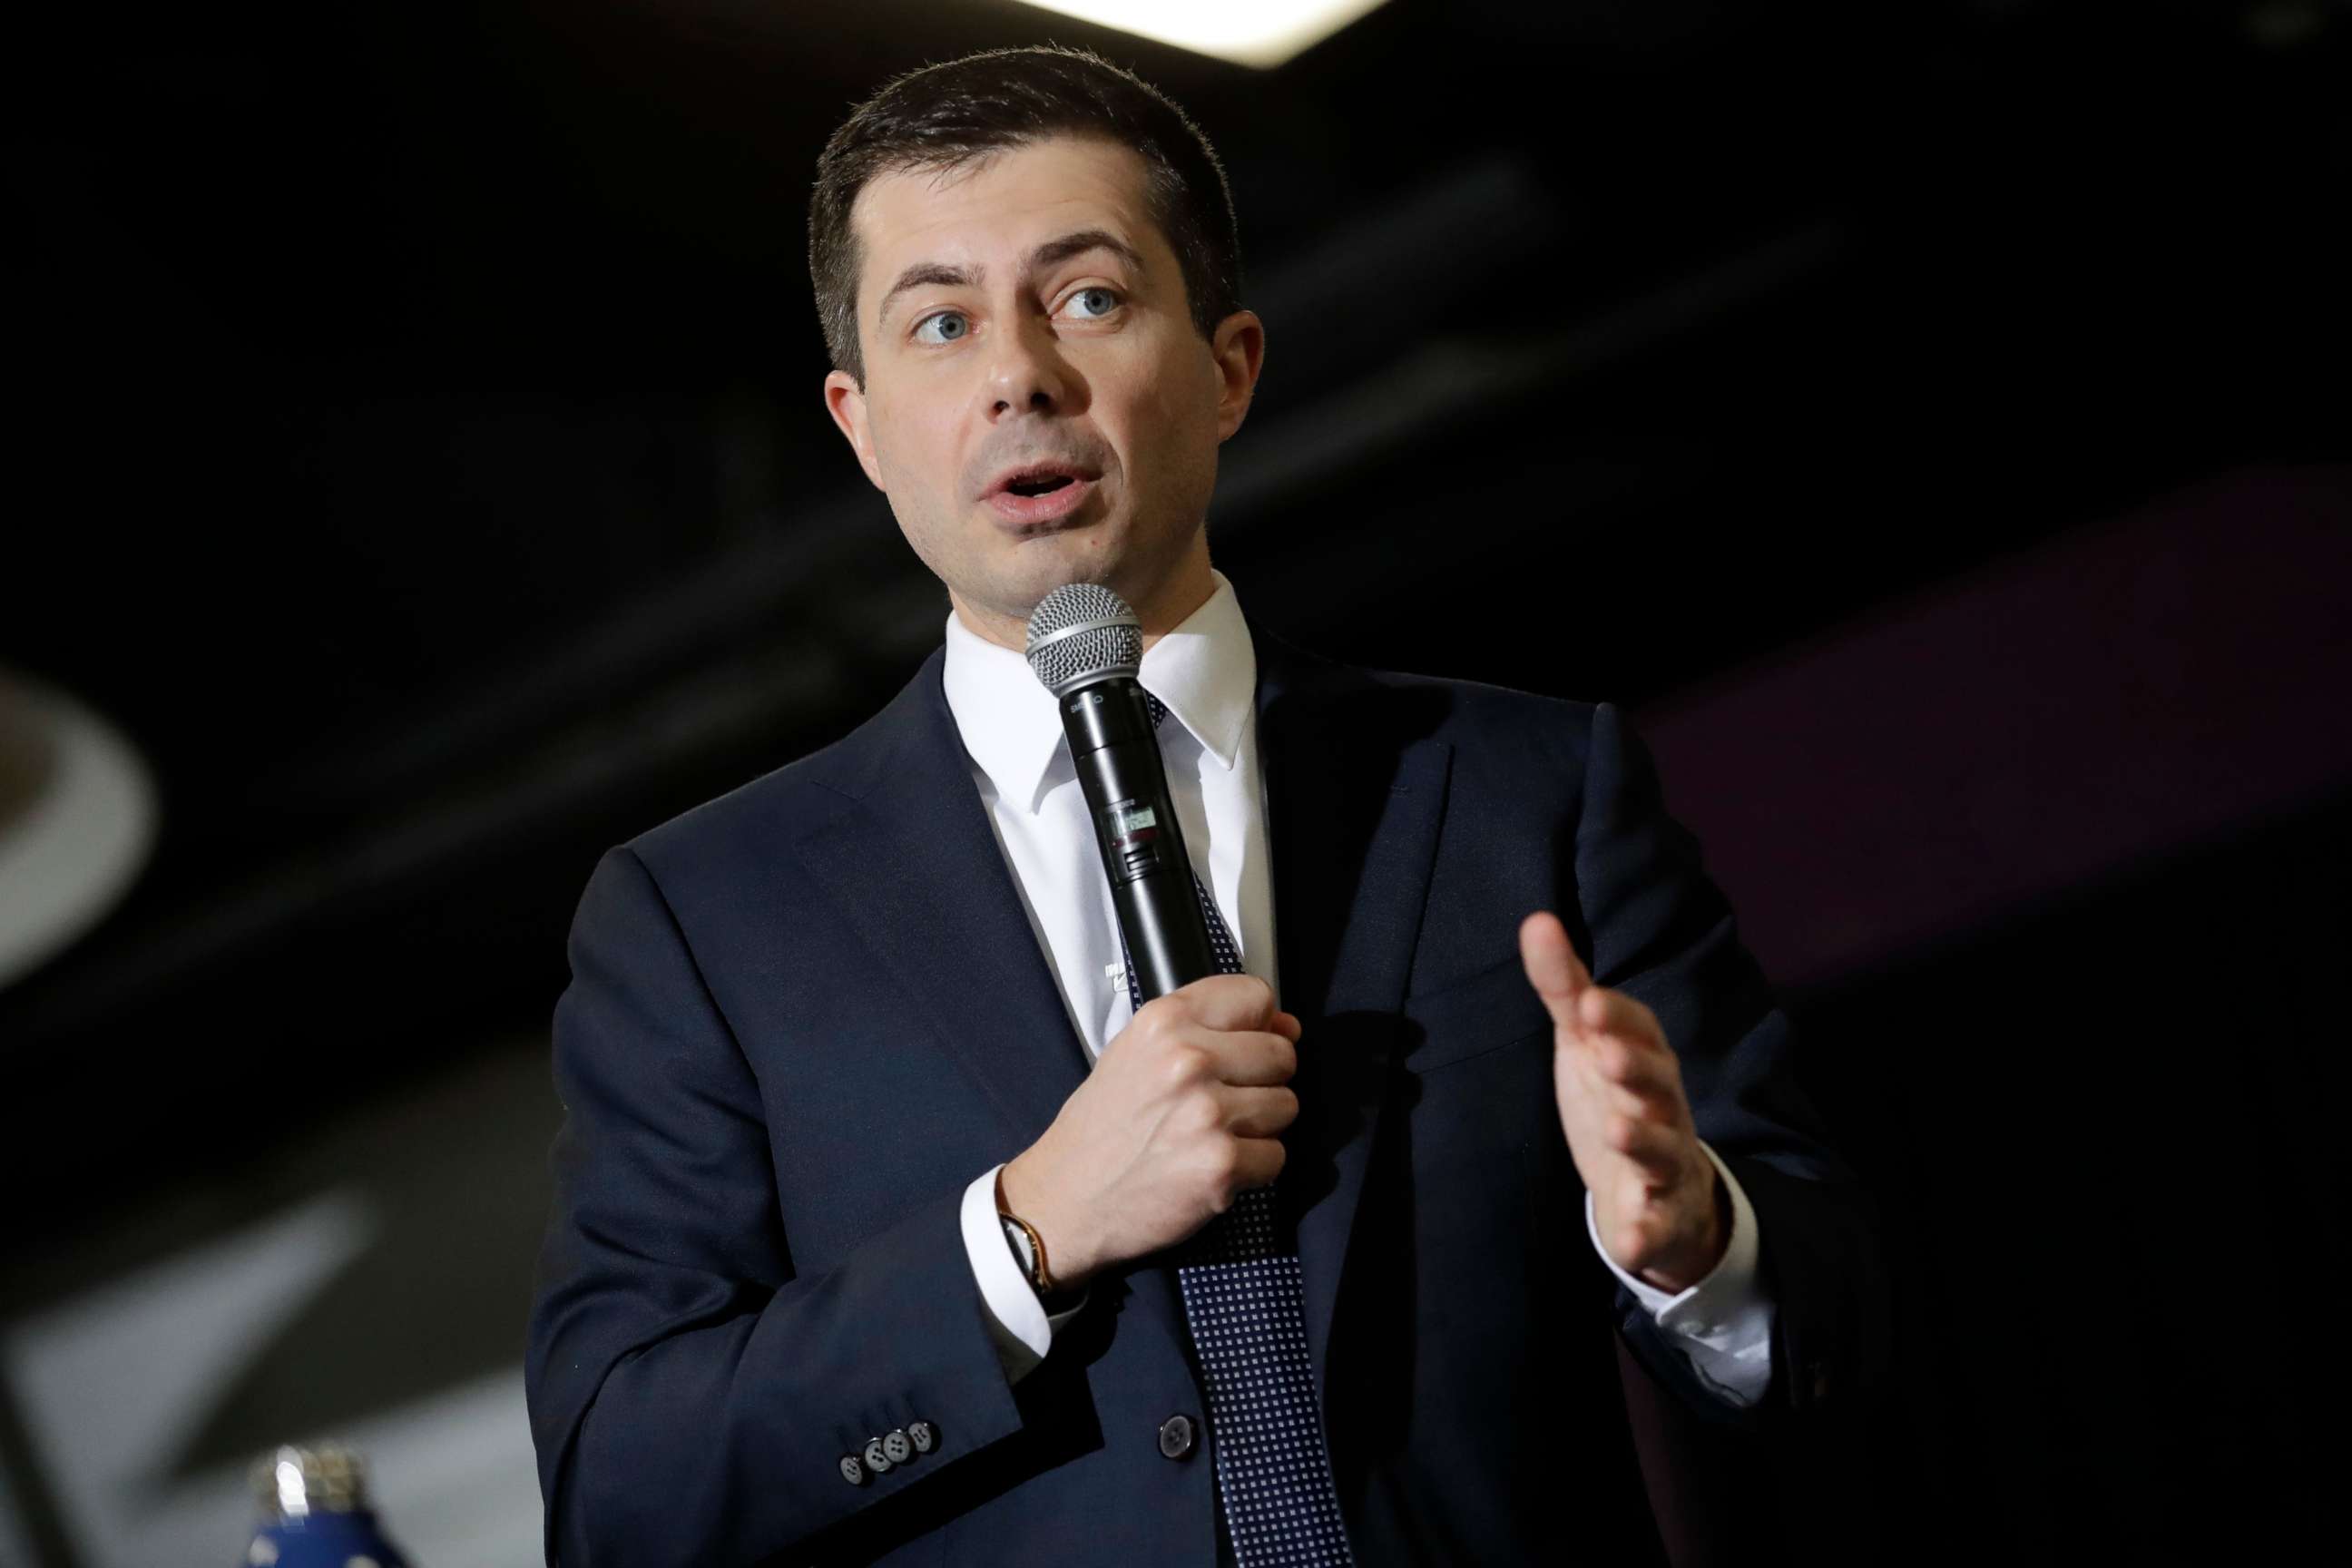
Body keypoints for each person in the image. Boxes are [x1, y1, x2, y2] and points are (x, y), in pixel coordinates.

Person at [524, 44, 1886, 1568]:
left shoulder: (1529, 784)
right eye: (942, 323)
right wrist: (1027, 1230)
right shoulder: (705, 917)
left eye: (1089, 298)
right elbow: (624, 1489)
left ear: (1231, 366)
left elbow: (1829, 1308)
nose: (1019, 373)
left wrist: (1692, 1243)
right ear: (858, 424)